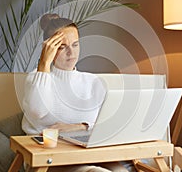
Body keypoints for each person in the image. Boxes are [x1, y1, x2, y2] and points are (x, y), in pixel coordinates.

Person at [21, 14, 129, 172]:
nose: (71, 53)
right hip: (48, 159)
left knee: (121, 171)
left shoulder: (94, 82)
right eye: (62, 47)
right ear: (48, 49)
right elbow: (37, 111)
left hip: (88, 153)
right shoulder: (36, 78)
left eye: (75, 45)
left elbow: (109, 123)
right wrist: (44, 63)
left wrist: (81, 126)